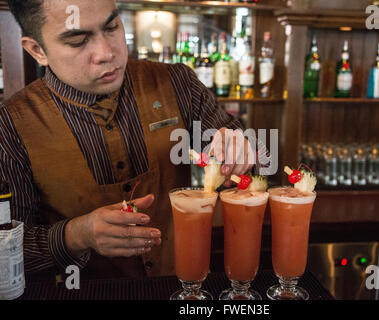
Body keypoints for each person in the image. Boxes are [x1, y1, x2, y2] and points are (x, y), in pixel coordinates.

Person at [1, 0, 266, 281]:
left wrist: (238, 150)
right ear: (37, 50)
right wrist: (77, 235)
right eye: (78, 41)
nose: (106, 53)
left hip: (183, 285)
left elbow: (244, 156)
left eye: (112, 27)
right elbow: (7, 249)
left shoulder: (177, 82)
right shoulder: (12, 124)